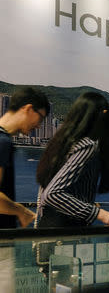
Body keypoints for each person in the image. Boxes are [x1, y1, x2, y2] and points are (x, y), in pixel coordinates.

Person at [36, 92, 109, 227]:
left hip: (47, 229)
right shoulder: (88, 146)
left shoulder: (62, 144)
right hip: (65, 236)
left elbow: (43, 194)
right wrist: (106, 216)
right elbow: (52, 194)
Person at [0, 87, 49, 228]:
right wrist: (21, 211)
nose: (39, 126)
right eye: (40, 117)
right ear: (28, 109)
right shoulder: (3, 142)